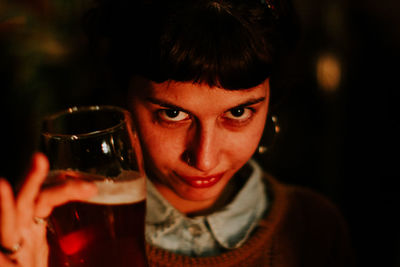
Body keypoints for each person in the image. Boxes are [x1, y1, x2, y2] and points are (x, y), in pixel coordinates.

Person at [0, 0, 355, 266]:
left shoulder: (313, 228)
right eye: (172, 114)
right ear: (121, 98)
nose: (204, 158)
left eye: (238, 112)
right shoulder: (64, 235)